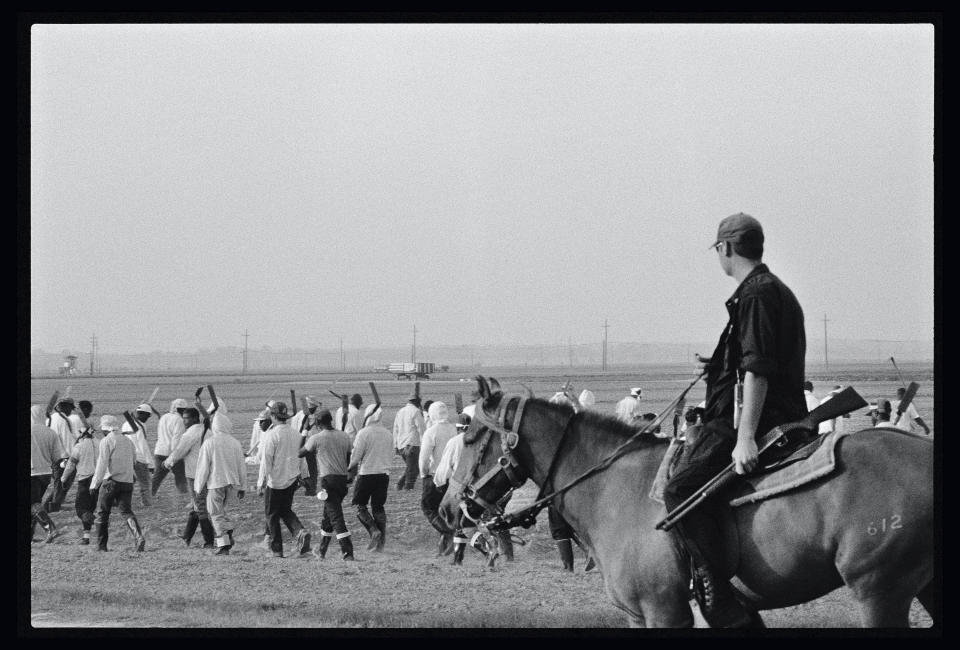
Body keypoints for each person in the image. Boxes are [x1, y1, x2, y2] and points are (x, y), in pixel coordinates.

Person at [663, 213, 806, 628]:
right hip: (766, 409)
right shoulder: (771, 289)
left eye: (717, 250)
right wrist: (719, 365)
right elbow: (752, 359)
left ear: (725, 249)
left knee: (680, 489)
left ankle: (720, 601)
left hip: (757, 420)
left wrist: (745, 439)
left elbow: (758, 370)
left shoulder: (756, 294)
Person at [257, 401, 312, 558]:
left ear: (273, 416)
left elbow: (266, 461)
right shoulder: (296, 434)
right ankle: (299, 531)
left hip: (275, 481)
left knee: (272, 514)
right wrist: (305, 475)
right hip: (291, 480)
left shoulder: (272, 435)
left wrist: (261, 483)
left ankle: (276, 549)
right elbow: (302, 457)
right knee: (285, 510)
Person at [300, 409, 354, 560]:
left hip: (328, 481)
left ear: (317, 423)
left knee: (336, 517)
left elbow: (300, 452)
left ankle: (347, 551)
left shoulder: (317, 438)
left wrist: (304, 430)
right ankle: (322, 550)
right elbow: (348, 458)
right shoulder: (344, 436)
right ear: (331, 420)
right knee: (328, 516)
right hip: (342, 480)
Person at [194, 403, 246, 556]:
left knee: (215, 513)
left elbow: (203, 467)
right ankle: (228, 531)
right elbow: (241, 466)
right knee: (223, 512)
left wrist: (198, 487)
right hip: (233, 483)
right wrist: (243, 487)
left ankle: (223, 545)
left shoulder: (209, 443)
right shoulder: (235, 442)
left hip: (215, 483)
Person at [90, 415, 146, 552]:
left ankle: (101, 546)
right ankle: (138, 537)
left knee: (102, 513)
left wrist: (94, 484)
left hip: (110, 482)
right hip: (127, 482)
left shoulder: (106, 441)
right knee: (126, 511)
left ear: (105, 429)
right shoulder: (128, 441)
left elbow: (102, 465)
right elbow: (134, 461)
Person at [164, 406, 216, 548]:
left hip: (194, 474)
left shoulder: (190, 434)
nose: (184, 421)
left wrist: (167, 463)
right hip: (209, 473)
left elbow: (179, 451)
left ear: (194, 418)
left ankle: (209, 540)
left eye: (186, 418)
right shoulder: (209, 432)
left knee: (200, 506)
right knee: (196, 505)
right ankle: (187, 536)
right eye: (183, 418)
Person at [348, 403, 393, 552]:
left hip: (367, 473)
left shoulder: (364, 433)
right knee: (378, 507)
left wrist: (348, 468)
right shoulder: (388, 433)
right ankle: (381, 543)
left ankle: (374, 531)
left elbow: (355, 458)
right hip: (384, 474)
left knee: (359, 506)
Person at [418, 401, 459, 556]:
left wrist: (424, 474)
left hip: (435, 476)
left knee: (428, 507)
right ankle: (444, 547)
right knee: (446, 511)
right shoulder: (454, 429)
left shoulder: (431, 431)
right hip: (453, 477)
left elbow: (424, 458)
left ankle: (448, 533)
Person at [30, 404, 64, 543]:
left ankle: (50, 528)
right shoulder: (51, 433)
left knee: (33, 504)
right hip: (46, 473)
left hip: (32, 472)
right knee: (34, 505)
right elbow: (57, 457)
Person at [65, 416, 100, 544]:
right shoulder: (100, 443)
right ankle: (86, 538)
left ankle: (95, 521)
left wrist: (64, 478)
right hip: (98, 481)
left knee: (80, 509)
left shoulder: (79, 446)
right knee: (90, 508)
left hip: (85, 480)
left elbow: (70, 465)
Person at [41, 397, 77, 513]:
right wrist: (74, 457)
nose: (70, 411)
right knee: (63, 482)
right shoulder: (64, 420)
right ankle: (54, 506)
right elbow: (67, 440)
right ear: (64, 407)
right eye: (70, 408)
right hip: (63, 457)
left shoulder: (49, 419)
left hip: (49, 456)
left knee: (58, 482)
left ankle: (48, 505)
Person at [152, 398, 189, 497]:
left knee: (157, 478)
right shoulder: (180, 420)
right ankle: (183, 496)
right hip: (172, 453)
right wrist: (176, 456)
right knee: (180, 477)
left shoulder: (164, 417)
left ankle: (149, 496)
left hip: (159, 451)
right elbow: (176, 440)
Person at [121, 404, 156, 507]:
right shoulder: (140, 426)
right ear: (141, 414)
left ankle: (120, 500)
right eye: (147, 415)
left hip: (127, 457)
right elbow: (143, 446)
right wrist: (150, 464)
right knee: (145, 484)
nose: (148, 418)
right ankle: (147, 504)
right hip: (139, 459)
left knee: (127, 481)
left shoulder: (126, 424)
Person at [393, 393, 425, 491]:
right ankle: (407, 487)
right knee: (413, 468)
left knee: (411, 467)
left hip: (401, 444)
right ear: (417, 401)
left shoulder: (400, 411)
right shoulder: (415, 412)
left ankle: (400, 485)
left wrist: (396, 445)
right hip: (412, 444)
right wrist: (424, 443)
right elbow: (421, 429)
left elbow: (395, 429)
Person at [291, 395, 320, 496]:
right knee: (311, 468)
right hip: (306, 445)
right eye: (314, 407)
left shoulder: (299, 415)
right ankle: (310, 488)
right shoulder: (307, 416)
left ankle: (308, 486)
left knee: (302, 468)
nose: (316, 409)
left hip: (300, 444)